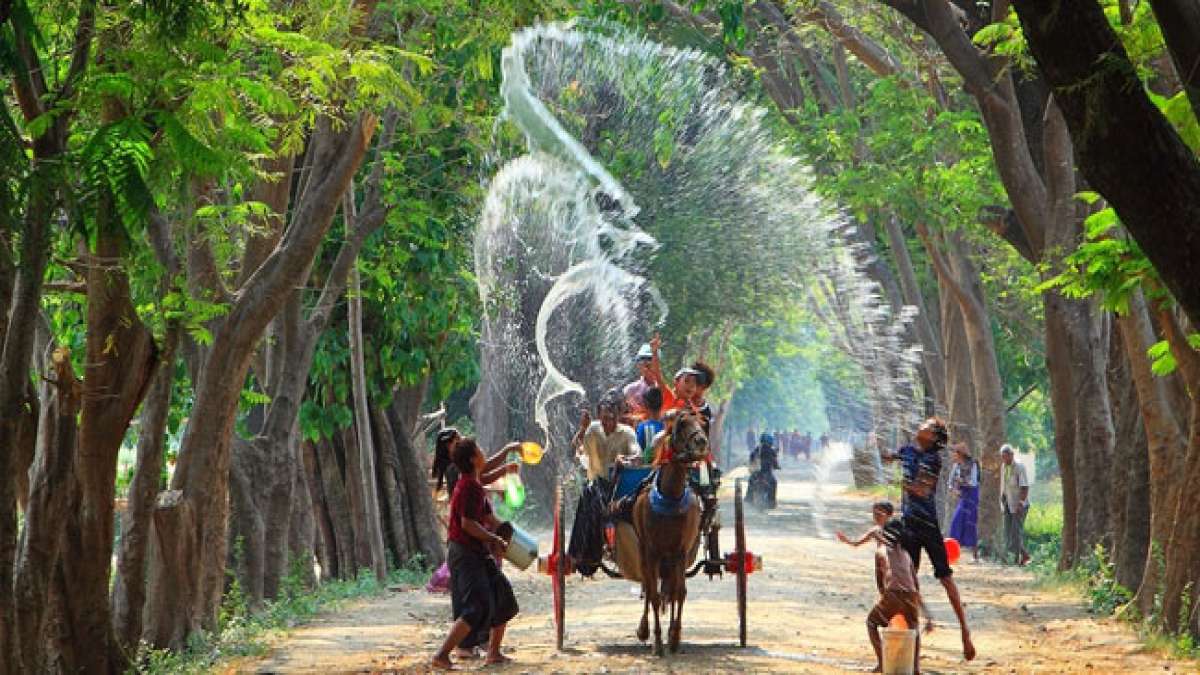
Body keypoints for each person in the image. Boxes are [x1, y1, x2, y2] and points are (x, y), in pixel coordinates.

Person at [882, 417, 975, 661]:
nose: (919, 427)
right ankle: (909, 646)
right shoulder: (909, 450)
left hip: (928, 526)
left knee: (945, 578)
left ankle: (965, 632)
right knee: (905, 582)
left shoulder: (933, 459)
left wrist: (899, 482)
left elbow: (921, 490)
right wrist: (886, 454)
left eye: (925, 426)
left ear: (933, 437)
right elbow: (889, 456)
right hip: (909, 526)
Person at [432, 438, 519, 669]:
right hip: (466, 553)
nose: (483, 454)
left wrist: (509, 533)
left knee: (503, 598)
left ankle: (494, 653)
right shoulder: (468, 486)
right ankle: (441, 655)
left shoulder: (475, 484)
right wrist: (493, 538)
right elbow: (468, 524)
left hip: (477, 552)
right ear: (472, 459)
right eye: (480, 451)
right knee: (475, 607)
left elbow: (489, 518)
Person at [568, 392, 640, 574]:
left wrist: (626, 459)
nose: (608, 422)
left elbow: (636, 453)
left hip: (619, 488)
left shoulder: (627, 433)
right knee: (588, 495)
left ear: (618, 416)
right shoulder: (592, 430)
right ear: (599, 416)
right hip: (596, 485)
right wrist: (583, 429)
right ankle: (577, 554)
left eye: (612, 418)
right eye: (604, 418)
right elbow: (577, 447)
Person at [867, 519, 934, 674]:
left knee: (871, 623)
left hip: (893, 593)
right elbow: (915, 587)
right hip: (910, 595)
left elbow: (880, 580)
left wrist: (885, 600)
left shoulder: (881, 551)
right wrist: (927, 615)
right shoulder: (906, 554)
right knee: (914, 629)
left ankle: (883, 663)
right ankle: (916, 668)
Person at [948, 443, 980, 563]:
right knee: (956, 523)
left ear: (960, 454)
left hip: (972, 496)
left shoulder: (973, 464)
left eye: (955, 453)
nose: (953, 455)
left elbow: (973, 482)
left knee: (971, 524)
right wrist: (954, 490)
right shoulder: (956, 466)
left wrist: (960, 482)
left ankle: (975, 556)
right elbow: (950, 483)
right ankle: (952, 555)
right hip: (963, 496)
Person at [1000, 444, 1031, 566]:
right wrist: (1003, 500)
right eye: (1002, 457)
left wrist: (1021, 503)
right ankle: (1024, 556)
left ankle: (1017, 559)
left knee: (1016, 533)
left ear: (1012, 455)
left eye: (1006, 457)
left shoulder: (1019, 467)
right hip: (1008, 503)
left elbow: (1024, 486)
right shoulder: (1004, 466)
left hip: (1019, 505)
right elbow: (1004, 485)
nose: (1004, 459)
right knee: (1008, 532)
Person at [748, 432, 781, 508]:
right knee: (774, 483)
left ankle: (749, 499)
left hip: (756, 473)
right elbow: (775, 463)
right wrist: (777, 467)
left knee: (750, 481)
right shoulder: (772, 451)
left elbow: (751, 459)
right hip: (767, 473)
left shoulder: (757, 449)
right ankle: (772, 502)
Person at [623, 343, 656, 412]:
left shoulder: (664, 390)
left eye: (650, 359)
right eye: (643, 359)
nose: (647, 362)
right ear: (638, 365)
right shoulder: (629, 391)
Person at [635, 387, 665, 464]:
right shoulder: (670, 424)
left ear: (645, 405)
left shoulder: (643, 427)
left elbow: (639, 453)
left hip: (649, 471)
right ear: (662, 403)